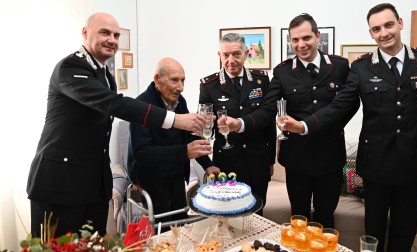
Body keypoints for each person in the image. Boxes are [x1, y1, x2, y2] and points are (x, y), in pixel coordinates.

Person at [27, 13, 205, 237]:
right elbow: (115, 105)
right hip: (61, 183)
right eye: (104, 32)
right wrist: (175, 120)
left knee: (95, 244)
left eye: (116, 35)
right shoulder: (70, 67)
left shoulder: (105, 75)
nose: (112, 39)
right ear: (85, 33)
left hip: (94, 184)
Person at [290, 4, 417, 251]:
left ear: (400, 23)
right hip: (376, 165)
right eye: (376, 29)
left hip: (413, 162)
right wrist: (304, 126)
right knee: (372, 234)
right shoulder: (362, 67)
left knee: (404, 233)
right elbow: (340, 106)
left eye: (388, 25)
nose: (384, 33)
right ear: (371, 33)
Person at [227, 15, 358, 227]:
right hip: (297, 159)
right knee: (299, 218)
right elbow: (269, 108)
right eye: (295, 40)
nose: (301, 45)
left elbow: (350, 104)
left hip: (331, 156)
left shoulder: (340, 66)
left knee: (326, 217)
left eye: (306, 38)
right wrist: (240, 124)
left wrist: (333, 126)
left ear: (317, 36)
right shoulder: (282, 71)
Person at [127, 57, 220, 224]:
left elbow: (187, 137)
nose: (181, 87)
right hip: (151, 178)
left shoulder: (179, 102)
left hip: (176, 173)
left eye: (183, 80)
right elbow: (142, 154)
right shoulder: (141, 106)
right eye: (175, 80)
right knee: (163, 231)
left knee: (180, 223)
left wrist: (208, 164)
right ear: (157, 80)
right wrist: (185, 151)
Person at [199, 33, 276, 215]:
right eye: (226, 55)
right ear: (220, 55)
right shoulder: (209, 85)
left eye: (236, 54)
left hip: (257, 160)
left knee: (257, 215)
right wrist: (206, 163)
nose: (231, 60)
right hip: (226, 161)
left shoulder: (261, 80)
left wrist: (270, 159)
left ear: (246, 53)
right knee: (228, 216)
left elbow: (268, 122)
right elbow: (203, 127)